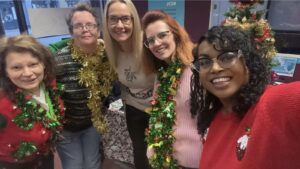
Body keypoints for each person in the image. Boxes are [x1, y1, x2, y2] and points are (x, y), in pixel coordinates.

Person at [190, 26, 300, 169]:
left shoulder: (278, 102)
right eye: (205, 62)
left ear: (247, 61)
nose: (215, 68)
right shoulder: (214, 119)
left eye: (227, 57)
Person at [54, 4, 115, 169]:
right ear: (71, 31)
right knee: (73, 165)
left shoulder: (107, 56)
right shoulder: (59, 60)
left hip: (92, 125)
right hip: (66, 128)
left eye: (90, 25)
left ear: (98, 29)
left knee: (92, 163)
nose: (85, 29)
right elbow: (49, 92)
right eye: (78, 26)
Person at [141, 10, 202, 169]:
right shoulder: (162, 74)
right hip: (165, 161)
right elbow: (158, 118)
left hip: (193, 162)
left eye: (162, 35)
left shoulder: (197, 69)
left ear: (175, 34)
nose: (157, 43)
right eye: (151, 40)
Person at [103, 0, 155, 169]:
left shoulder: (149, 45)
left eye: (125, 18)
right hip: (133, 109)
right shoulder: (111, 50)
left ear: (134, 21)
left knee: (161, 152)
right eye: (113, 19)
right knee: (139, 152)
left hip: (158, 109)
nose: (120, 25)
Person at [0, 35, 64, 169]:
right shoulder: (2, 103)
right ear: (5, 71)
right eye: (16, 67)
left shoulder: (49, 85)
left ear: (44, 65)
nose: (28, 73)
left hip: (45, 157)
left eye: (33, 64)